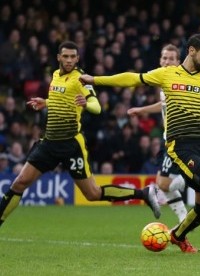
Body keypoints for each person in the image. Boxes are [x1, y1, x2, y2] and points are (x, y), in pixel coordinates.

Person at [79, 34, 200, 253]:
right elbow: (132, 78)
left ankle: (177, 236)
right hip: (181, 144)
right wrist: (95, 80)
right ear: (191, 50)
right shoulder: (167, 74)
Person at [0, 41, 161, 228]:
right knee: (20, 182)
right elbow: (61, 99)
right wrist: (46, 102)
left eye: (72, 57)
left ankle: (143, 194)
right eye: (65, 56)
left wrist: (86, 104)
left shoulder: (81, 78)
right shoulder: (55, 76)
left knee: (92, 194)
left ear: (77, 58)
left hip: (71, 145)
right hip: (49, 142)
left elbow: (97, 106)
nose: (69, 60)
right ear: (59, 57)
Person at [127, 44, 188, 223]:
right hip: (169, 138)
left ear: (178, 63)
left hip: (181, 139)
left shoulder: (180, 82)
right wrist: (142, 110)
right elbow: (163, 105)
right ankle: (183, 219)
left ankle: (195, 180)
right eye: (164, 58)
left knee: (162, 183)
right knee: (162, 184)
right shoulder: (165, 84)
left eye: (171, 59)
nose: (166, 62)